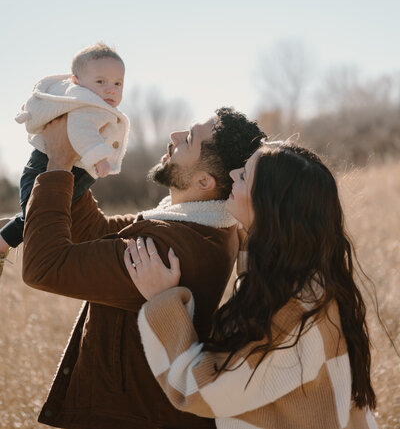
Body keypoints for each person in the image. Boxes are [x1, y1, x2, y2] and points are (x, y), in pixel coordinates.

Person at [21, 107, 266, 429]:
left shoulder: (170, 247)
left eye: (188, 140)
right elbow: (96, 234)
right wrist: (77, 156)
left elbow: (44, 266)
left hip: (131, 417)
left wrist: (58, 164)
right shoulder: (197, 227)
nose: (174, 137)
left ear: (203, 181)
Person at [125, 141, 379, 429]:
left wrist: (164, 301)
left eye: (244, 175)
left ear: (268, 206)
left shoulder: (294, 313)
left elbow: (200, 390)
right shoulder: (300, 272)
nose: (233, 174)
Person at [0, 42, 129, 272]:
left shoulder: (84, 100)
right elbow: (81, 132)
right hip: (52, 170)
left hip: (46, 167)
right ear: (77, 81)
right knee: (37, 218)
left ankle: (9, 228)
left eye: (117, 83)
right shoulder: (85, 104)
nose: (111, 89)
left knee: (38, 214)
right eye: (101, 82)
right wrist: (99, 158)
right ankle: (1, 243)